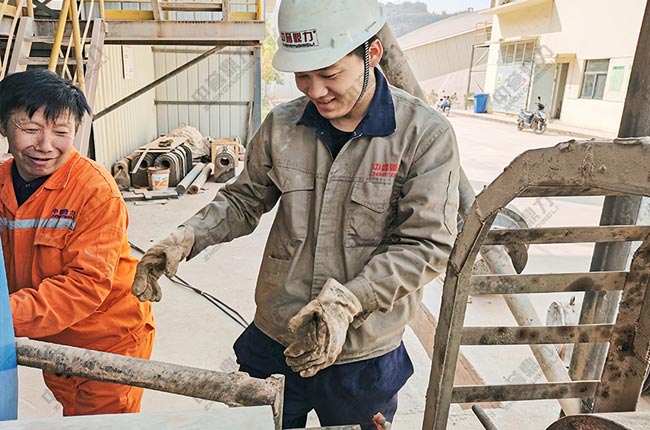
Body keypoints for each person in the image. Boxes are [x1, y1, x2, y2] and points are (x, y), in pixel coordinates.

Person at [132, 0, 460, 428]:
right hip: (278, 332)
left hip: (361, 350)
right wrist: (188, 237)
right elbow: (243, 200)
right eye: (303, 75)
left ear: (373, 54)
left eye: (329, 74)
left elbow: (426, 244)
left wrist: (350, 301)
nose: (315, 90)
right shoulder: (282, 126)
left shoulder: (424, 135)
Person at [0, 69, 155, 416]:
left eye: (61, 132)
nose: (45, 145)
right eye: (30, 129)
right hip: (53, 341)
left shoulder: (95, 191)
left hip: (108, 344)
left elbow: (85, 286)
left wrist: (3, 317)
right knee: (73, 414)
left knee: (102, 423)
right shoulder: (1, 183)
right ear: (3, 126)